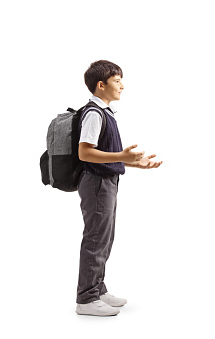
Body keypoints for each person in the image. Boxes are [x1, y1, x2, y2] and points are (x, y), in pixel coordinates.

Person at [75, 60, 163, 316]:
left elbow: (106, 155)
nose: (122, 85)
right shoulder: (94, 112)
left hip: (105, 181)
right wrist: (122, 157)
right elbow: (85, 153)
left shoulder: (106, 112)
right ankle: (87, 299)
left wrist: (134, 163)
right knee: (95, 238)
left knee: (104, 237)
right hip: (96, 183)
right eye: (117, 81)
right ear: (101, 85)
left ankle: (97, 290)